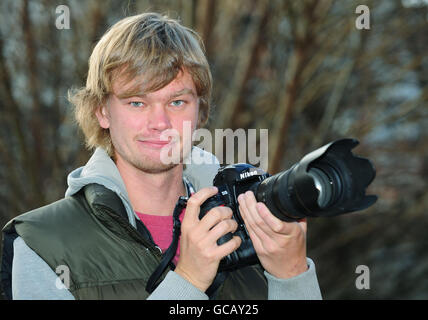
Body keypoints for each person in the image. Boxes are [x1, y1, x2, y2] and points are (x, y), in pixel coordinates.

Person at [0, 12, 322, 300]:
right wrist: (189, 282)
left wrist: (291, 275)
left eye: (177, 102)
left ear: (200, 110)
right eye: (137, 102)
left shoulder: (246, 224)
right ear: (102, 111)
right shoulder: (41, 243)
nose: (160, 123)